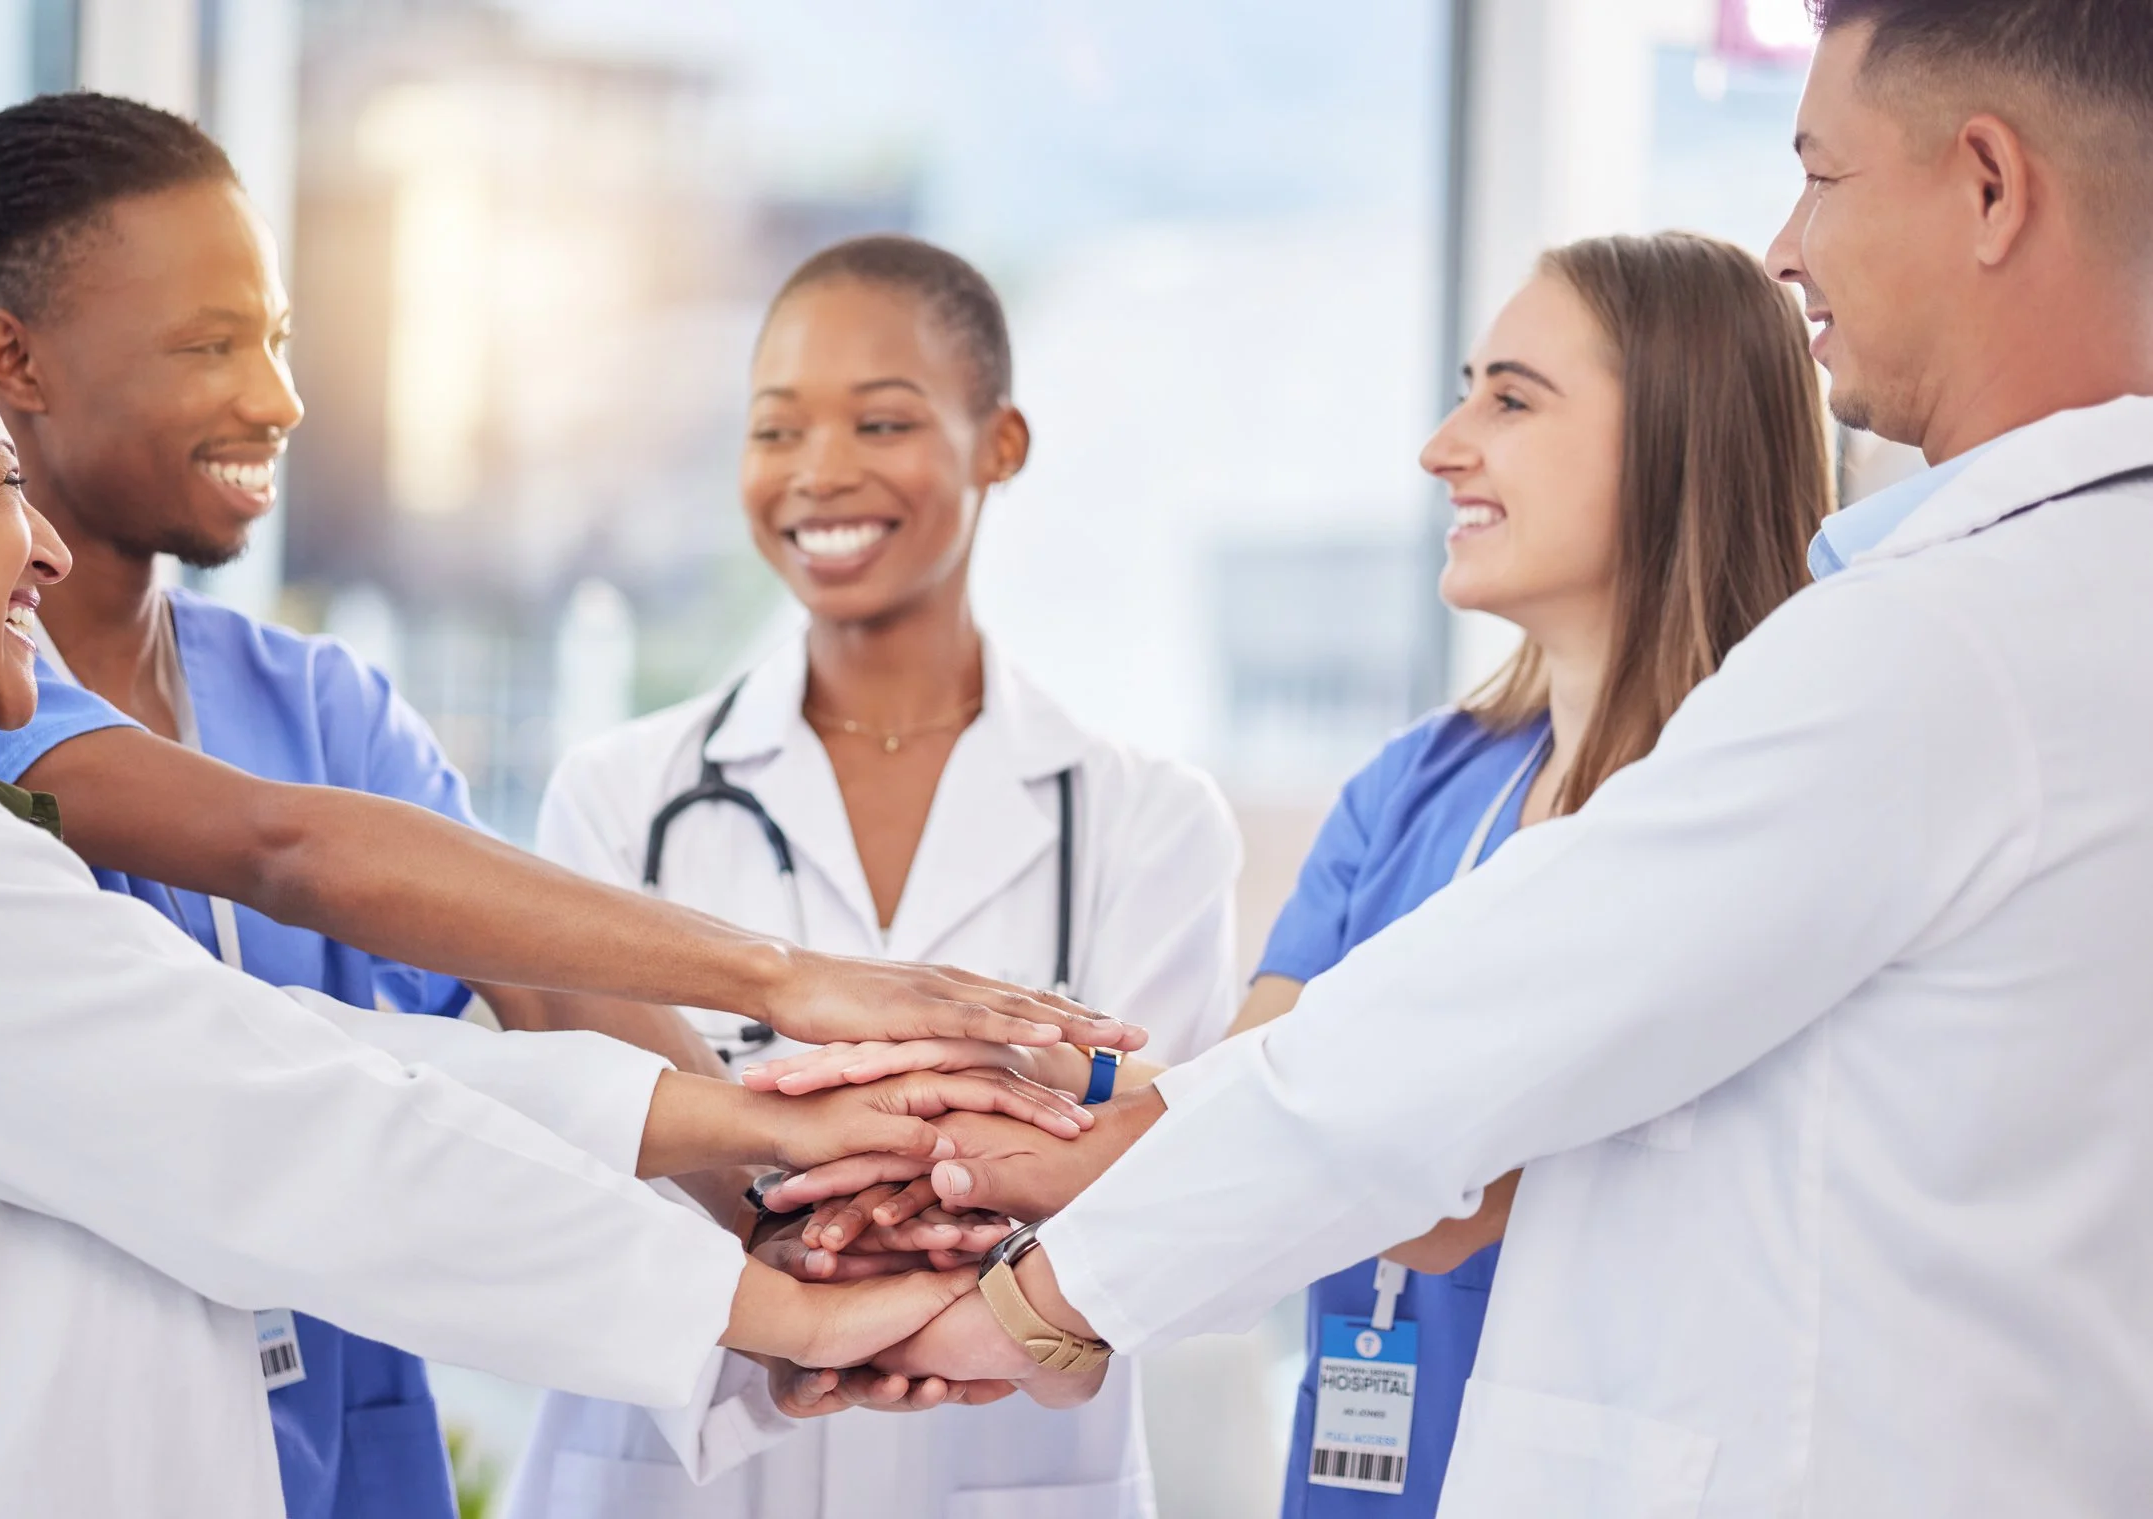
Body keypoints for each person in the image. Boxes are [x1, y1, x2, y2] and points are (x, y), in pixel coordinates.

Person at [778, 2, 2153, 1512]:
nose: (1785, 245)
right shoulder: (2049, 613)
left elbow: (1445, 1057)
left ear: (1989, 186)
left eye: (1822, 175)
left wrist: (1037, 1278)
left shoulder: (1936, 649)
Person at [0, 235, 1103, 1519]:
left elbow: (310, 1055)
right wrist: (781, 1308)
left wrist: (768, 1118)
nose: (40, 544)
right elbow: (311, 1135)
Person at [756, 228, 1827, 1514]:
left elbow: (1426, 1183)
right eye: (1462, 388)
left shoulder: (1743, 815)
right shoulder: (1412, 788)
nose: (1444, 444)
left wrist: (988, 1201)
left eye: (1509, 397)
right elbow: (1246, 1092)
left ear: (1676, 433)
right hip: (1361, 1469)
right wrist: (1016, 1090)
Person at [505, 236, 1241, 1519]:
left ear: (999, 443)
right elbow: (564, 1147)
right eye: (776, 429)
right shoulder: (619, 794)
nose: (819, 472)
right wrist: (820, 1248)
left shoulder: (1146, 819)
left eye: (882, 420)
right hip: (672, 1465)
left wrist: (909, 1227)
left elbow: (1168, 1182)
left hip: (1005, 1462)